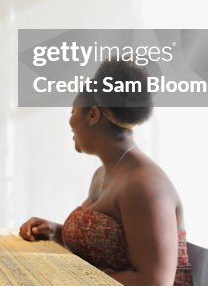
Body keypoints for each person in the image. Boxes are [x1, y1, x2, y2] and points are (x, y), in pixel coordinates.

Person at [19, 60, 192, 286]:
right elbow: (106, 245)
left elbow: (154, 282)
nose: (70, 121)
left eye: (73, 110)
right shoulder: (103, 174)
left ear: (92, 115)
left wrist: (72, 281)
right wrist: (55, 232)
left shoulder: (144, 186)